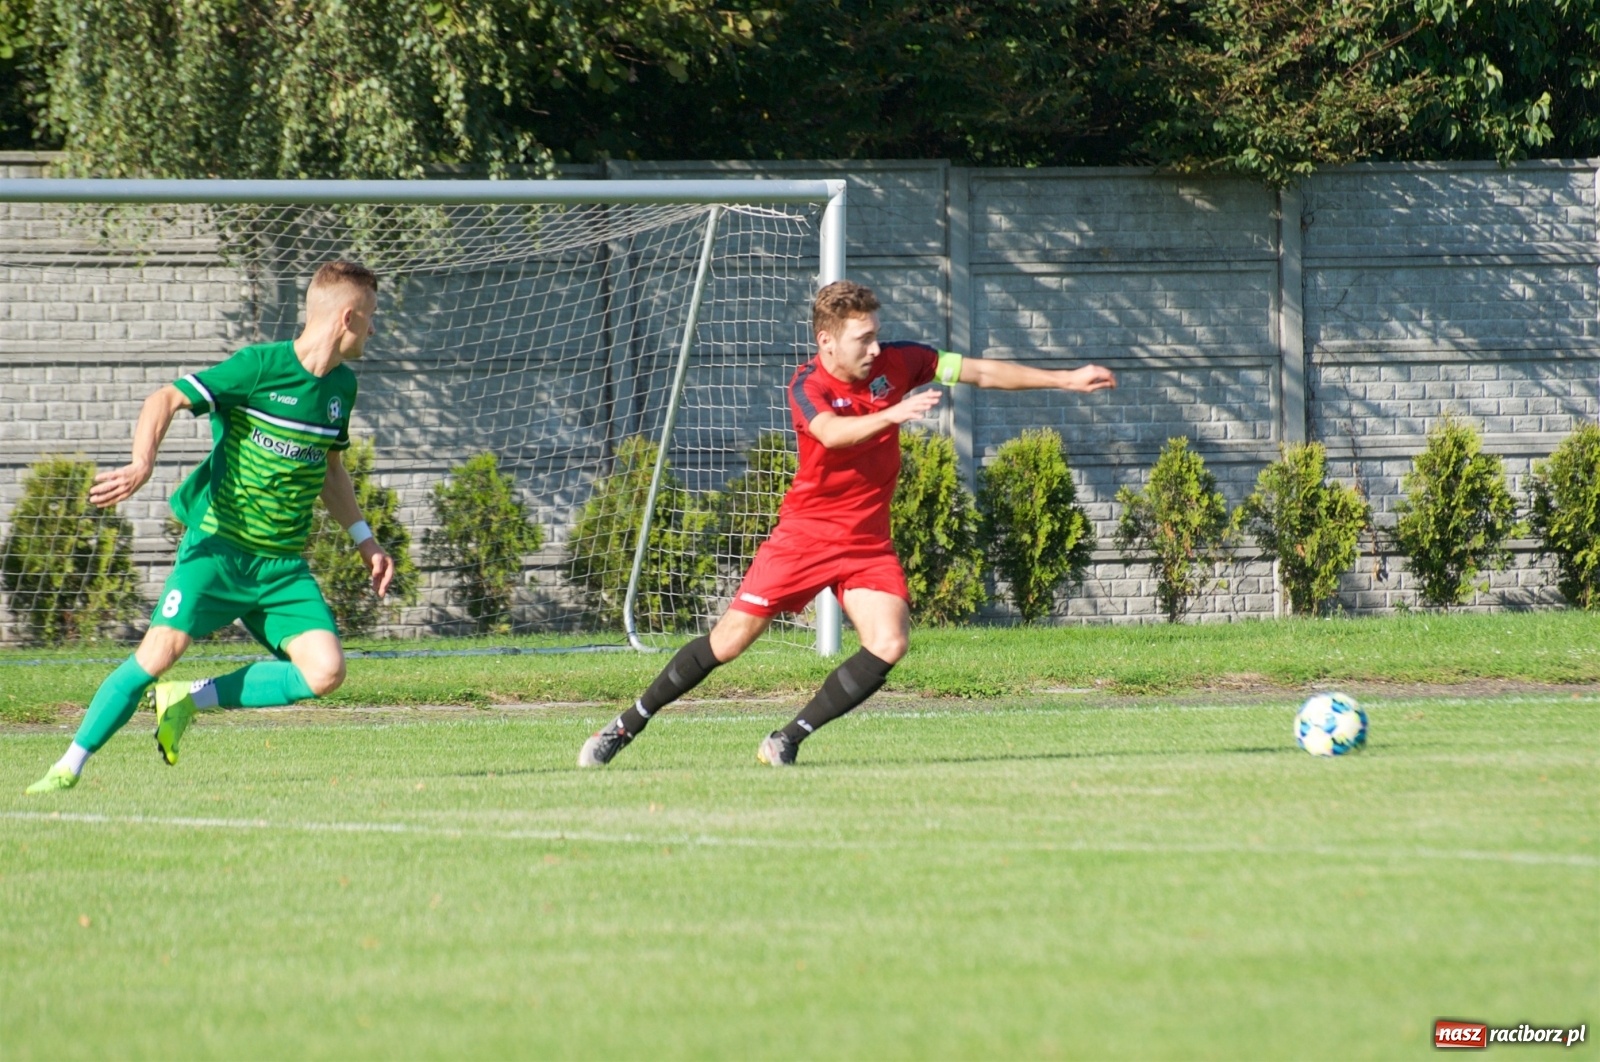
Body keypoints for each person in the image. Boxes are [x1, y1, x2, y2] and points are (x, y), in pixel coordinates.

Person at [578, 279, 1116, 768]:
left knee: (889, 641)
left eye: (876, 335)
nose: (876, 348)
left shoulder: (899, 364)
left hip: (865, 542)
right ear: (827, 341)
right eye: (863, 339)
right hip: (805, 537)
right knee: (728, 643)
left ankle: (785, 740)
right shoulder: (806, 387)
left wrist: (1065, 379)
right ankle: (624, 727)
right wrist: (891, 415)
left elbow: (976, 370)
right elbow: (832, 434)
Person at [25, 261, 395, 794]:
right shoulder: (259, 367)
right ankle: (67, 766)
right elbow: (166, 397)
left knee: (326, 671)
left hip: (281, 569)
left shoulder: (341, 388)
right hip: (217, 551)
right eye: (372, 318)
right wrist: (141, 463)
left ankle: (188, 699)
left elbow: (330, 469)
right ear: (348, 317)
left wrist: (365, 540)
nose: (374, 330)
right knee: (159, 652)